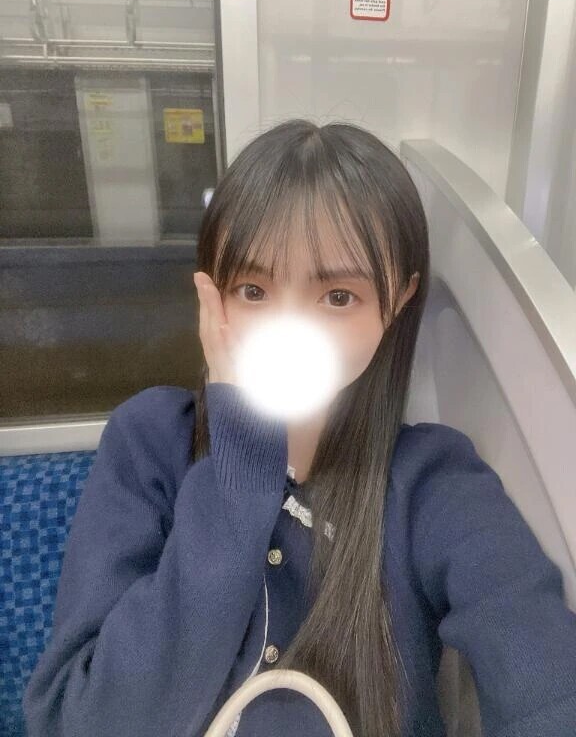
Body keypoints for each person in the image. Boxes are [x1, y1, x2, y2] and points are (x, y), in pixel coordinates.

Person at [23, 120, 576, 737]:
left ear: (398, 299)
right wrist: (238, 477)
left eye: (337, 296)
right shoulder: (149, 442)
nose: (287, 330)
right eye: (253, 290)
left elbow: (539, 664)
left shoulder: (433, 481)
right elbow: (79, 721)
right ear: (212, 293)